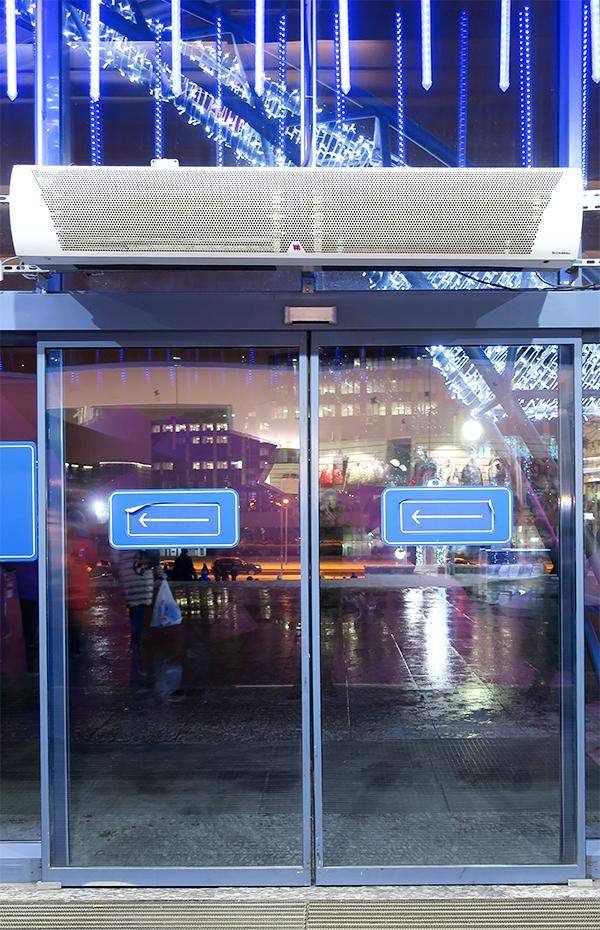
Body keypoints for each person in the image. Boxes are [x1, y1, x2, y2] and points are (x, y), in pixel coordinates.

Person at [116, 550, 156, 690]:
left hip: (131, 590)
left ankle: (136, 655)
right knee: (142, 629)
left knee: (136, 623)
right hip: (143, 590)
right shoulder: (145, 547)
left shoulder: (123, 551)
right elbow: (154, 559)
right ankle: (140, 663)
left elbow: (117, 565)